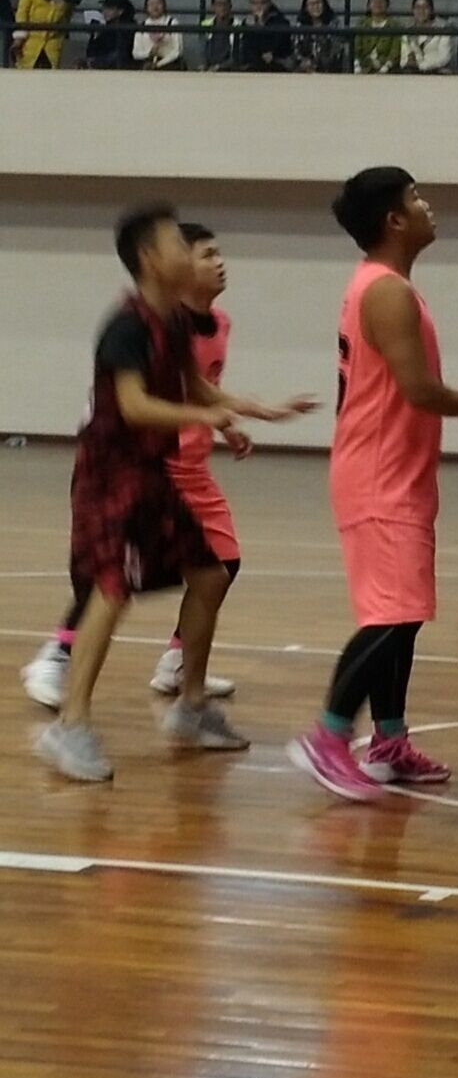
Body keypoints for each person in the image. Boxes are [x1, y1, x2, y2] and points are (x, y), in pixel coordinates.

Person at [32, 205, 306, 782]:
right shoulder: (126, 326)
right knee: (112, 589)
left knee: (211, 575)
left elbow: (195, 386)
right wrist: (207, 415)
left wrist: (255, 410)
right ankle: (70, 725)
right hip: (110, 476)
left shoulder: (174, 321)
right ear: (150, 259)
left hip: (150, 472)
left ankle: (191, 707)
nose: (190, 253)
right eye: (179, 245)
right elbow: (134, 406)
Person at [287, 168, 458, 801]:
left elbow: (410, 385)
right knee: (393, 616)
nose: (427, 207)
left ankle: (388, 740)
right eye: (415, 199)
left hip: (394, 473)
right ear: (393, 220)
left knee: (402, 618)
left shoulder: (387, 286)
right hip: (378, 475)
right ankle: (328, 735)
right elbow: (418, 391)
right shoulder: (386, 291)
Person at [240, 0, 293, 73]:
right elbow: (247, 49)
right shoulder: (247, 23)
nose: (259, 7)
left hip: (277, 64)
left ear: (269, 3)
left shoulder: (281, 22)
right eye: (254, 3)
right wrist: (257, 26)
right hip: (253, 66)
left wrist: (261, 24)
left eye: (262, 3)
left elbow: (282, 47)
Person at [295, 0, 347, 74]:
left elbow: (337, 49)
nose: (315, 6)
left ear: (324, 5)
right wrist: (304, 62)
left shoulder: (334, 24)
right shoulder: (300, 26)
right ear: (306, 8)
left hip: (331, 69)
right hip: (306, 70)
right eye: (312, 4)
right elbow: (296, 49)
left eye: (318, 3)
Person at [82, 0, 136, 70]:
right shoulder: (105, 27)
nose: (105, 11)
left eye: (110, 9)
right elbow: (91, 53)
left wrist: (97, 62)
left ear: (120, 11)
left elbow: (121, 53)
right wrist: (95, 35)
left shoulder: (127, 28)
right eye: (104, 8)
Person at [133, 0, 184, 71]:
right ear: (146, 7)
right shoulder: (142, 26)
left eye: (158, 3)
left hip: (169, 65)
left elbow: (177, 51)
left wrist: (158, 64)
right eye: (151, 4)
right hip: (147, 65)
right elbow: (136, 53)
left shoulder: (172, 23)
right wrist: (149, 53)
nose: (155, 7)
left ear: (164, 5)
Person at [354, 0, 401, 75]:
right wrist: (357, 67)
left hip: (388, 71)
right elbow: (356, 50)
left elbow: (395, 52)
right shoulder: (361, 24)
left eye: (381, 0)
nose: (377, 3)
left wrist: (385, 68)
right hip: (363, 70)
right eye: (374, 0)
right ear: (368, 5)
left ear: (387, 4)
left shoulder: (395, 25)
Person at [401, 0, 452, 74]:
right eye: (418, 7)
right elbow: (404, 58)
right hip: (413, 73)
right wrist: (408, 63)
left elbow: (444, 57)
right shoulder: (407, 30)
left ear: (431, 10)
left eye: (425, 7)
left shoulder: (443, 28)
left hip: (436, 72)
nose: (421, 11)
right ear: (412, 10)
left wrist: (421, 66)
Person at [200, 0, 240, 72]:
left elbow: (238, 56)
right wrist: (204, 65)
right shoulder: (205, 24)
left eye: (225, 4)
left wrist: (220, 67)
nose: (222, 8)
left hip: (231, 70)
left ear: (230, 6)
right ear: (213, 7)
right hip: (209, 69)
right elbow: (202, 51)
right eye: (218, 4)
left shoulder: (239, 25)